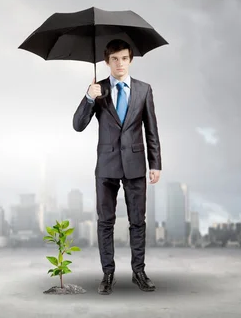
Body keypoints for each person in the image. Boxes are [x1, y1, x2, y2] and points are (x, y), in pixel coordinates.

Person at [72, 38, 162, 295]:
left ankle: (139, 271)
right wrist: (89, 98)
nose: (119, 63)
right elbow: (78, 125)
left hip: (135, 164)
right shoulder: (97, 89)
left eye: (124, 58)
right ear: (106, 61)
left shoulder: (144, 90)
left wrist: (155, 163)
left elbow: (151, 129)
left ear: (130, 59)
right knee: (105, 222)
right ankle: (107, 273)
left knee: (138, 221)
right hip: (107, 166)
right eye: (114, 59)